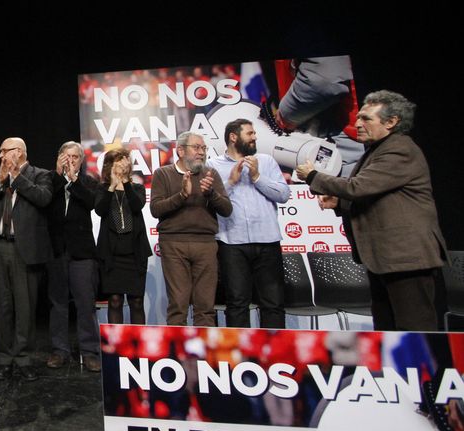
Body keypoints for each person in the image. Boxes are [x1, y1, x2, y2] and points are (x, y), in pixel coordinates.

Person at [296, 90, 447, 331]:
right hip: (385, 259)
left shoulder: (399, 149)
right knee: (386, 329)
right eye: (358, 118)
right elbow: (378, 196)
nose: (357, 124)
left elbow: (358, 187)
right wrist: (340, 203)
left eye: (366, 118)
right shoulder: (377, 150)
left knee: (414, 330)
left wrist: (313, 176)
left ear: (391, 122)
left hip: (406, 258)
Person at [208, 119, 290, 328]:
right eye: (250, 133)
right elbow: (210, 201)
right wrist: (231, 182)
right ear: (233, 137)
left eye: (254, 133)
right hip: (231, 243)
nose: (255, 137)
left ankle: (274, 347)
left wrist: (257, 177)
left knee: (273, 303)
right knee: (237, 303)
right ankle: (239, 349)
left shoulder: (266, 161)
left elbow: (283, 195)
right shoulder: (213, 165)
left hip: (268, 240)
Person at [0, 137, 52, 381]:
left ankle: (23, 358)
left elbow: (43, 198)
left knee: (25, 308)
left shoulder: (40, 174)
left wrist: (16, 177)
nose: (1, 155)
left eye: (5, 151)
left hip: (25, 250)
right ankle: (3, 358)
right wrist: (1, 180)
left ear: (20, 152)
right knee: (0, 307)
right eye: (0, 151)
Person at [150, 132, 232, 326]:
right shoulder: (163, 174)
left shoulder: (210, 175)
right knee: (178, 304)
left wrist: (211, 194)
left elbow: (227, 210)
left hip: (205, 244)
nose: (201, 152)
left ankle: (203, 345)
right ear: (180, 151)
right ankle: (177, 345)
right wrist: (182, 196)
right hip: (173, 243)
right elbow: (156, 209)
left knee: (205, 306)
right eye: (196, 147)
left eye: (203, 148)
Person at [46, 141, 101, 371]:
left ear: (81, 161)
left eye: (75, 157)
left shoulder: (88, 181)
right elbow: (46, 202)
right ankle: (60, 350)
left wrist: (74, 180)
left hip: (82, 252)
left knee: (85, 303)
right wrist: (61, 177)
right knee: (58, 303)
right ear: (59, 158)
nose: (70, 161)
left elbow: (92, 203)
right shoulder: (49, 180)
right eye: (66, 156)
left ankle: (89, 352)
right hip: (56, 250)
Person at [95, 148, 151, 326]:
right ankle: (116, 342)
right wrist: (112, 186)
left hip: (135, 253)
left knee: (137, 301)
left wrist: (125, 182)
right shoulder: (102, 189)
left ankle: (138, 342)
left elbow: (136, 206)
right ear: (109, 165)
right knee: (115, 300)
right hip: (112, 254)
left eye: (124, 160)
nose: (121, 164)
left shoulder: (137, 188)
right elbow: (100, 210)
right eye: (117, 160)